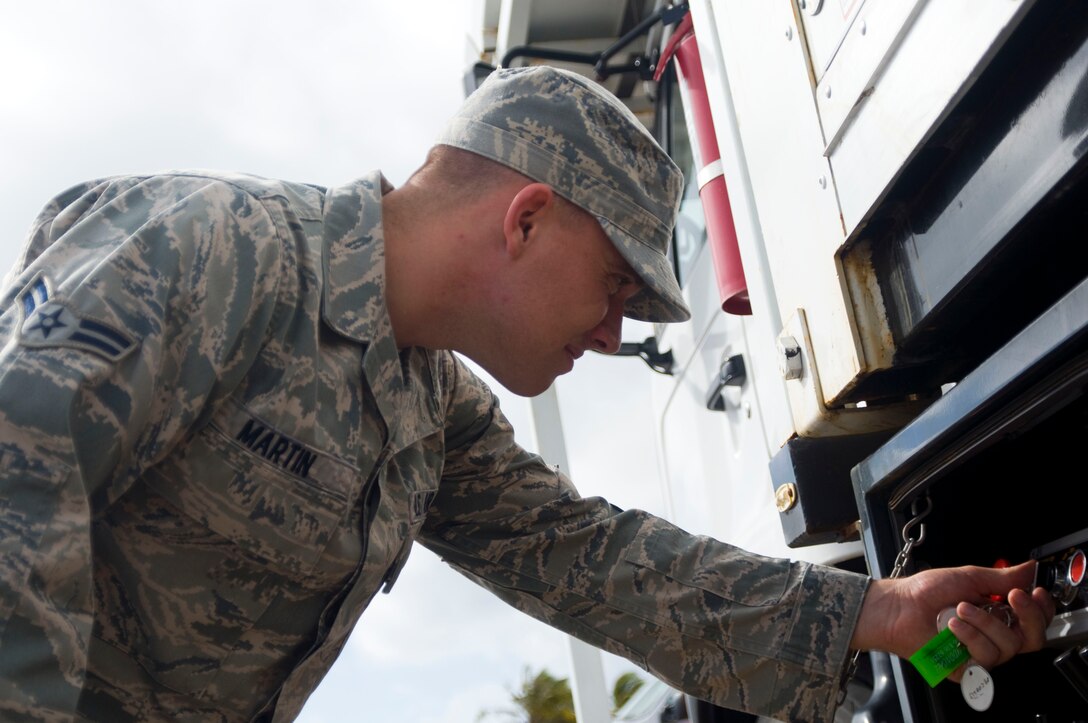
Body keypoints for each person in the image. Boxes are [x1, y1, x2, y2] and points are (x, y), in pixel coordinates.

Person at [0, 65, 1054, 723]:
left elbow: (598, 566)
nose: (607, 337)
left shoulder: (431, 415)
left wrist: (879, 610)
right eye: (611, 290)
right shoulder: (207, 251)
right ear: (525, 218)